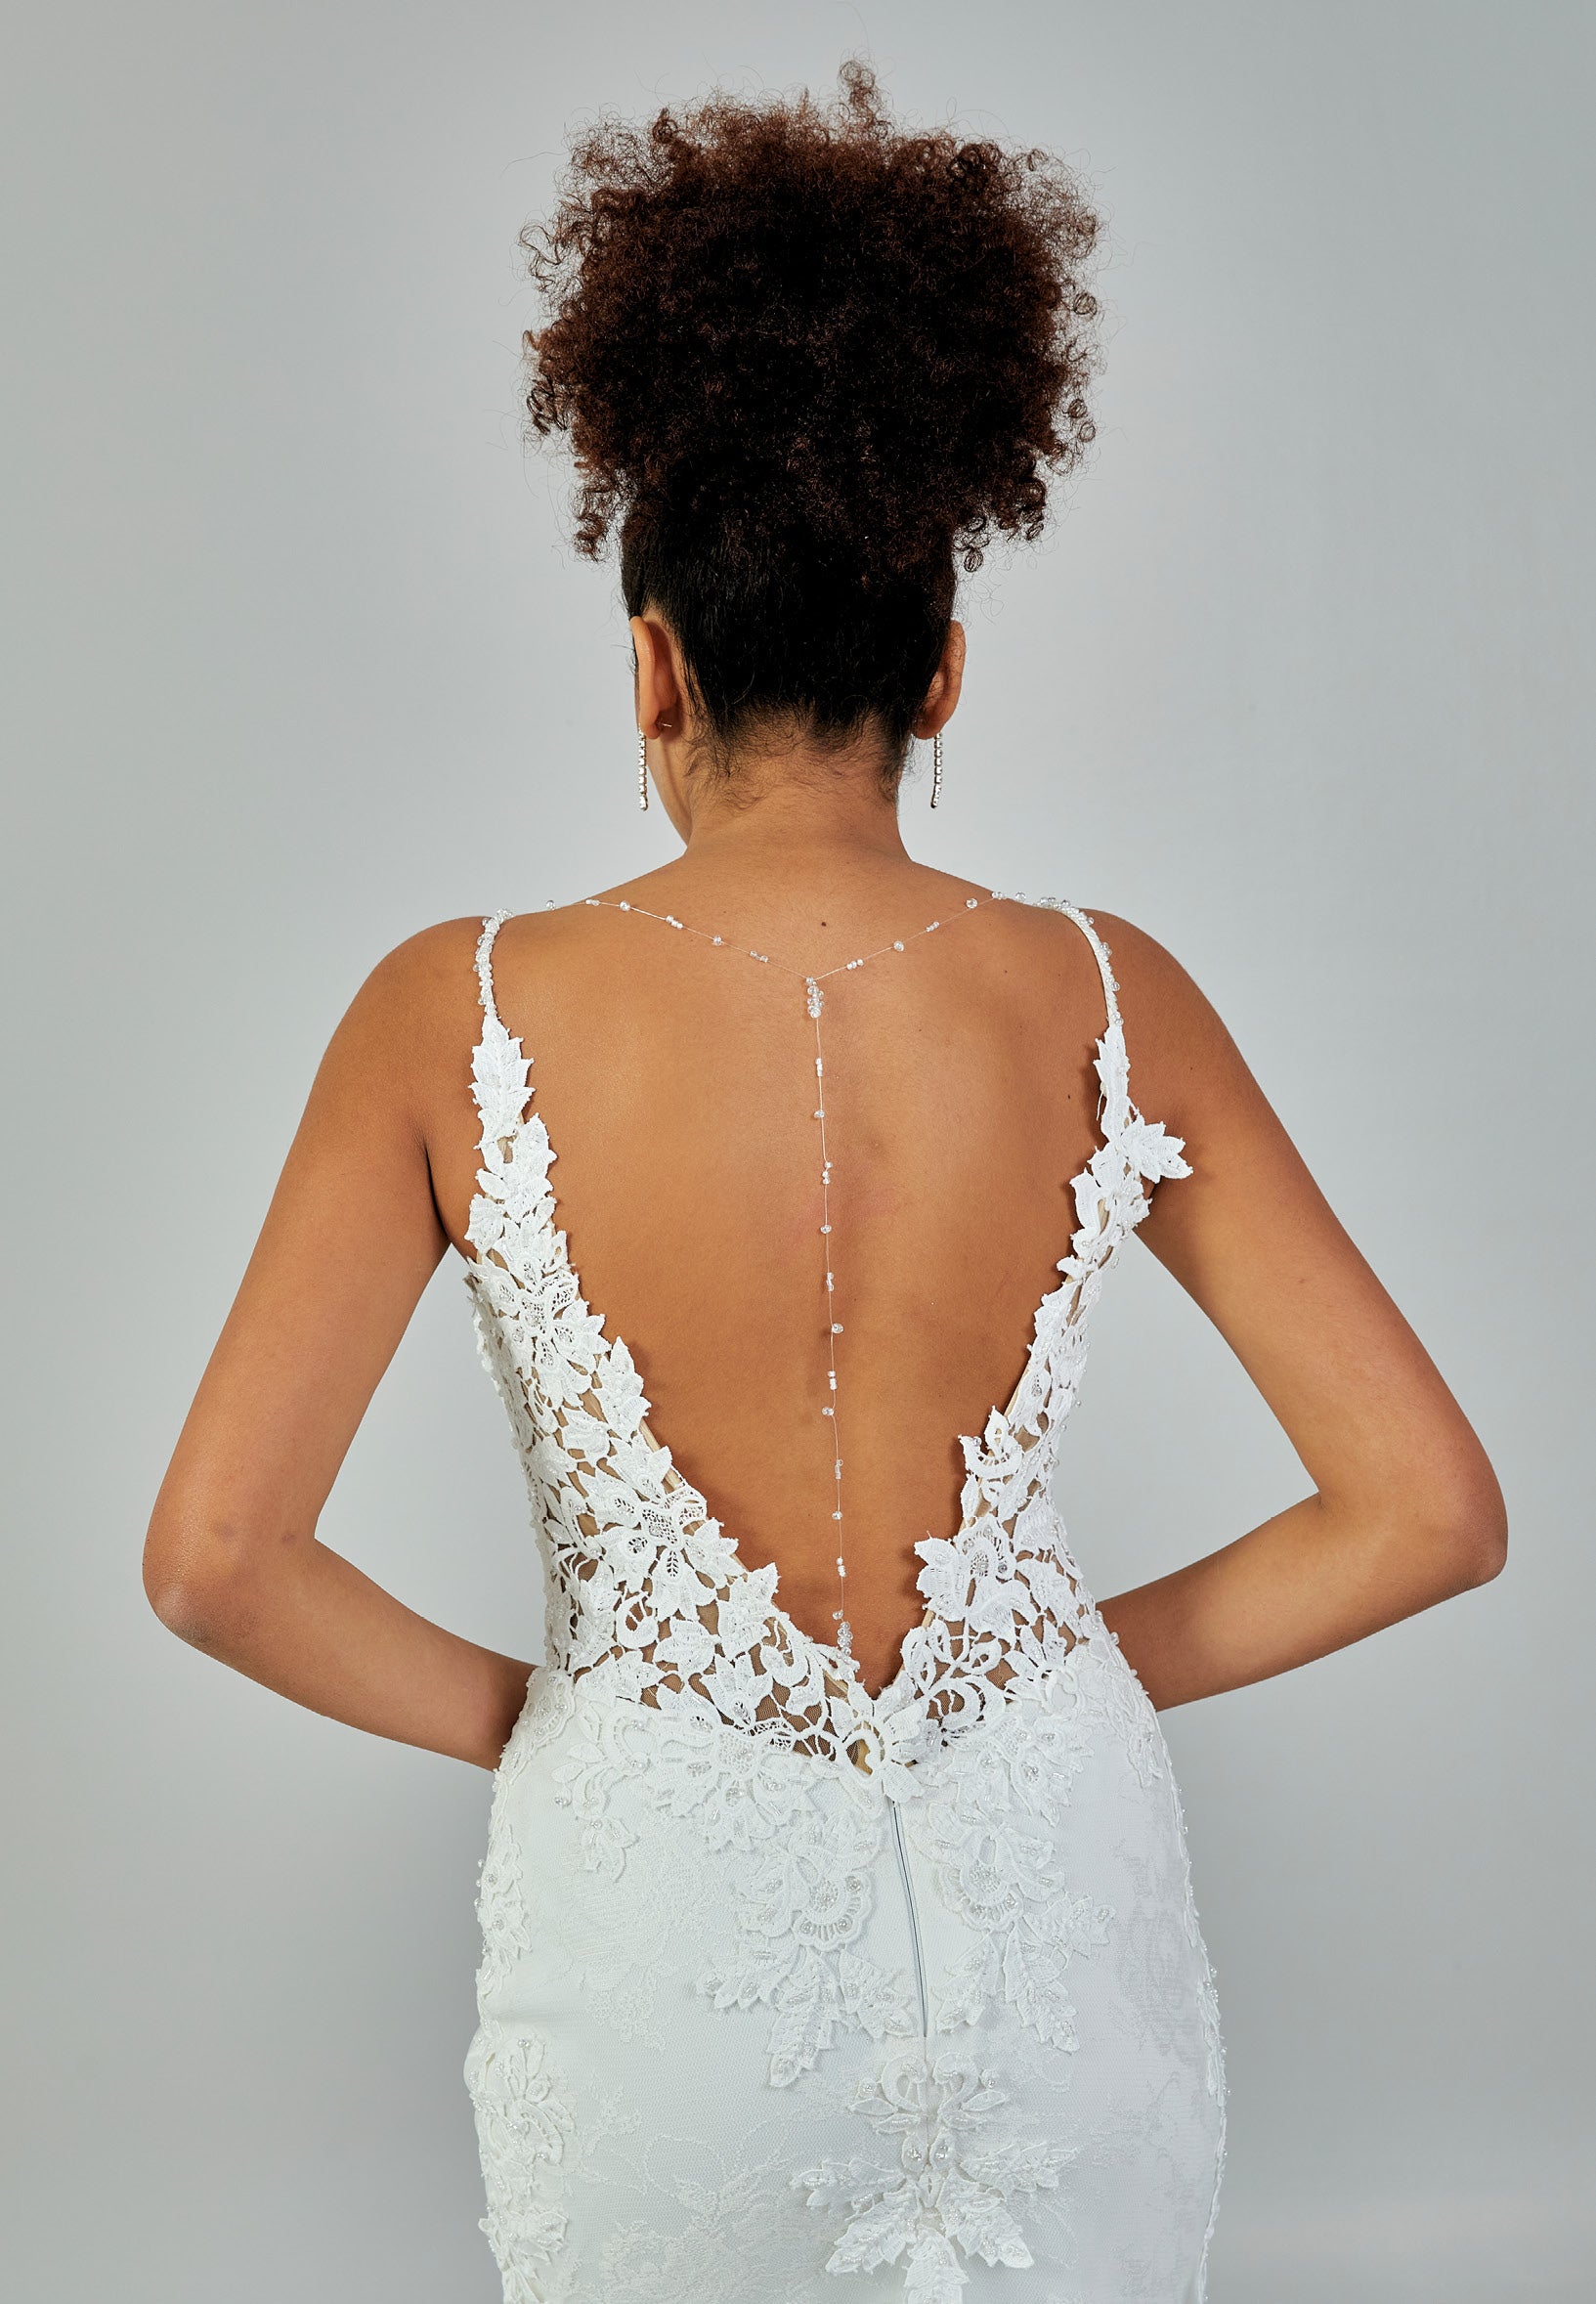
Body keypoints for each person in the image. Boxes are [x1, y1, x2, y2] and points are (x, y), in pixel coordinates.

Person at [143, 65, 1506, 2304]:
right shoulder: (1105, 992)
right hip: (1054, 1909)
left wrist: (577, 1732)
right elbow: (1428, 1512)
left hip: (658, 1927)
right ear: (939, 673)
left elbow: (217, 1563)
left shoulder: (448, 1009)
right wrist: (1038, 1682)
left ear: (652, 664)